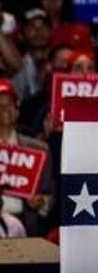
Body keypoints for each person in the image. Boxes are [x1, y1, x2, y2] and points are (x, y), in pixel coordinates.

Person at [0, 80, 53, 237]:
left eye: (9, 104)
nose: (4, 109)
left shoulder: (38, 150)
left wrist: (41, 202)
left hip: (25, 226)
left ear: (17, 110)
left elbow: (50, 194)